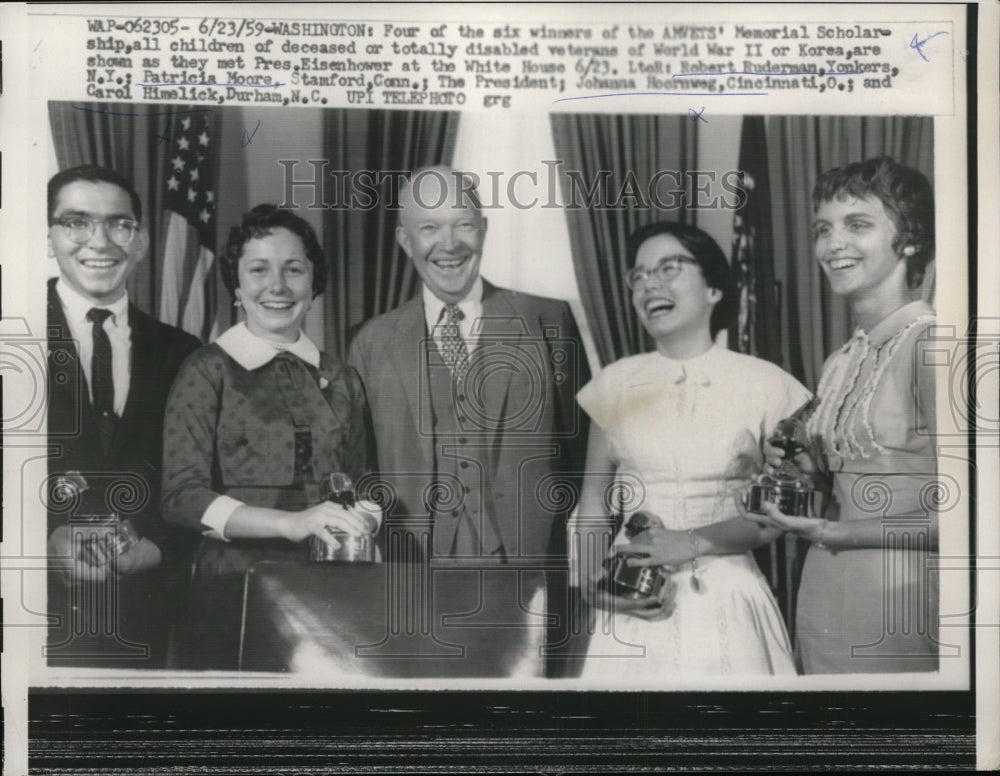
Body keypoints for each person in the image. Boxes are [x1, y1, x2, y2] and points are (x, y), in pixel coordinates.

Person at [347, 166, 589, 675]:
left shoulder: (548, 321)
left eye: (462, 224)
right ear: (403, 239)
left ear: (483, 228)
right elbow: (362, 469)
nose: (449, 243)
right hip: (410, 582)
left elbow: (582, 458)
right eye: (429, 227)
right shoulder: (370, 342)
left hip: (528, 578)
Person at [571, 220, 810, 680]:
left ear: (714, 288)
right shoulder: (614, 383)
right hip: (633, 596)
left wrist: (690, 541)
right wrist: (590, 587)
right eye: (638, 276)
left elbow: (780, 514)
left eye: (668, 268)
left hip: (729, 598)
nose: (649, 285)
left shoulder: (767, 384)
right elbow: (592, 506)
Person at [161, 205, 376, 670]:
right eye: (259, 270)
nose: (277, 287)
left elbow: (362, 486)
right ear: (236, 287)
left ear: (313, 284)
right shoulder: (206, 370)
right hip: (230, 589)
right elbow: (180, 497)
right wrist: (289, 523)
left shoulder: (342, 377)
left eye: (293, 270)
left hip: (327, 594)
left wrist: (365, 522)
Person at [745, 157, 938, 673]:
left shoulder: (933, 348)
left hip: (903, 597)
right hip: (824, 592)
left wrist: (832, 534)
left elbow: (976, 519)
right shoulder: (840, 361)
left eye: (857, 225)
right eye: (823, 229)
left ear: (911, 239)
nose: (833, 245)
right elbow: (844, 489)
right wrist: (807, 474)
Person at [46, 164, 201, 668]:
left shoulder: (182, 352)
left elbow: (198, 478)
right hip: (30, 616)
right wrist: (45, 540)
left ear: (142, 241)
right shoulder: (11, 331)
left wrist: (154, 546)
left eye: (120, 224)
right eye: (76, 222)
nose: (100, 241)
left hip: (141, 616)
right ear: (49, 236)